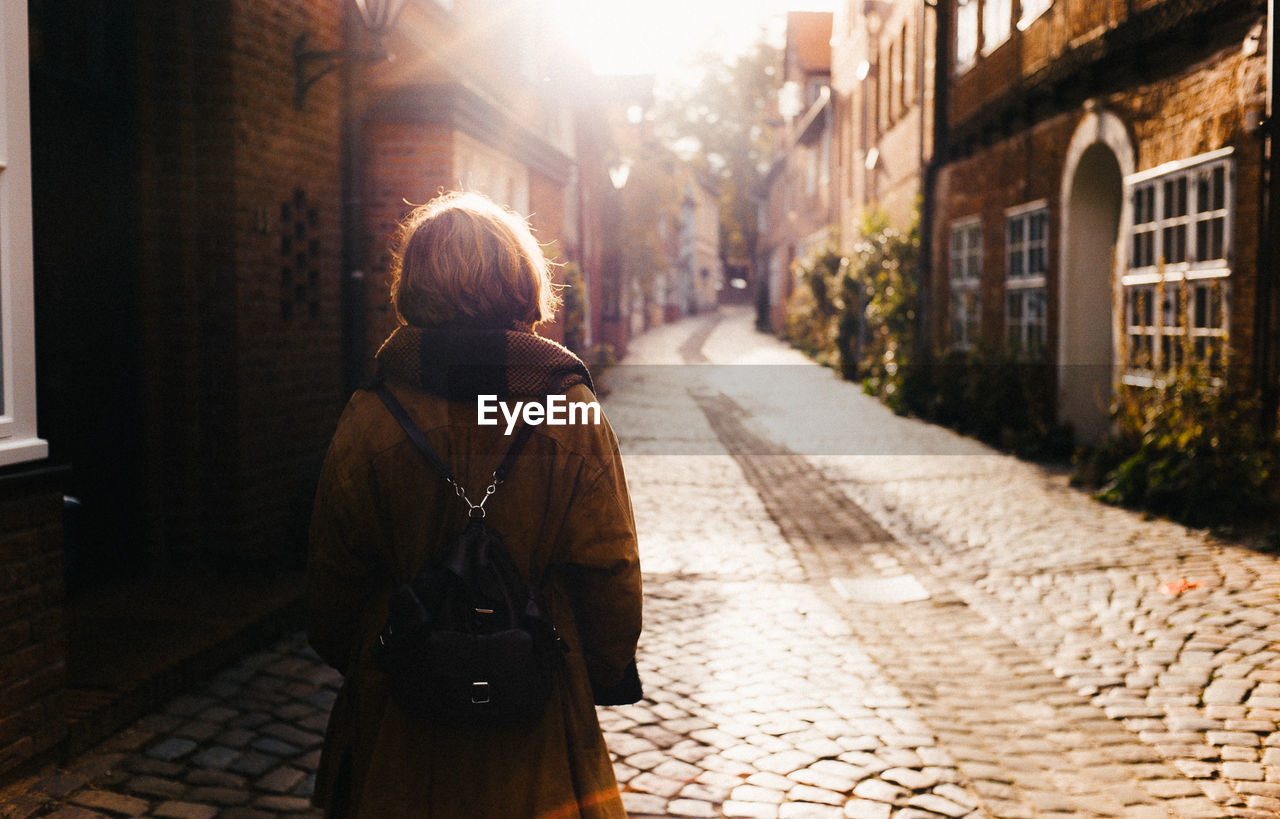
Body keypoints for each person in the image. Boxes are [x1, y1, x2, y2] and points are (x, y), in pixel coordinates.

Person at [307, 191, 642, 818]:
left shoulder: (371, 415)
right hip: (536, 709)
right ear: (519, 280)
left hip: (399, 725)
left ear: (415, 285)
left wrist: (377, 651)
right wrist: (594, 668)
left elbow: (332, 584)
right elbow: (609, 567)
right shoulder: (568, 411)